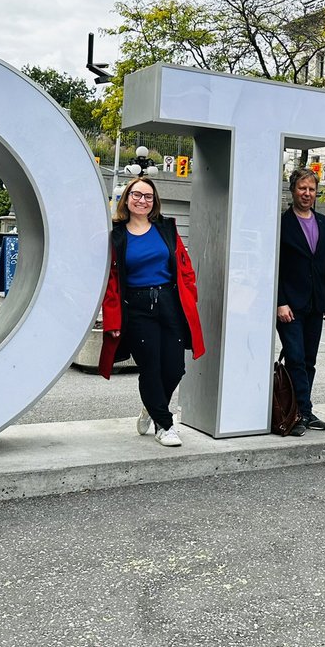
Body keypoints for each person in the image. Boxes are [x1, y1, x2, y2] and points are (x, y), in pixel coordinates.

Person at [101, 176, 205, 448]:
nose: (142, 200)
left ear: (154, 201)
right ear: (127, 198)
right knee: (151, 367)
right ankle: (164, 424)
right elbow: (110, 281)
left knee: (175, 368)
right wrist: (112, 318)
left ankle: (152, 406)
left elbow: (184, 267)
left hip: (170, 303)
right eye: (136, 195)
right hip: (136, 308)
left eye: (148, 196)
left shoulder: (166, 229)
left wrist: (190, 296)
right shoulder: (116, 235)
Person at [277, 167, 325, 436]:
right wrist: (280, 301)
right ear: (293, 190)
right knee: (295, 358)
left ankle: (303, 411)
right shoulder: (282, 222)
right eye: (302, 188)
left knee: (310, 359)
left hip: (316, 304)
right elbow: (275, 264)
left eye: (312, 189)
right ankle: (299, 412)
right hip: (289, 305)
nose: (307, 193)